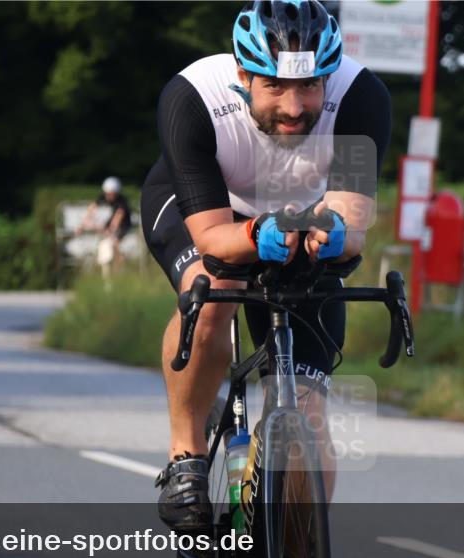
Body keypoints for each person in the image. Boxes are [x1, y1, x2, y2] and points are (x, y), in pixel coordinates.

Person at [144, 0, 390, 530]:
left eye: (308, 87)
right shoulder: (193, 98)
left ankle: (300, 555)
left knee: (309, 404)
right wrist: (259, 233)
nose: (295, 107)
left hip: (304, 217)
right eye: (275, 87)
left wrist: (331, 235)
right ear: (243, 74)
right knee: (213, 289)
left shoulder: (361, 97)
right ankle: (186, 457)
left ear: (329, 75)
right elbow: (212, 237)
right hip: (210, 209)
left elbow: (351, 221)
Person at [76, 176, 134, 277]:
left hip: (125, 224)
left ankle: (119, 270)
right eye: (107, 194)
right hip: (112, 220)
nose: (109, 197)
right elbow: (91, 209)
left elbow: (118, 217)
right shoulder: (105, 196)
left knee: (115, 243)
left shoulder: (122, 201)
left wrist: (110, 231)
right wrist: (81, 225)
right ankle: (110, 271)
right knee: (106, 246)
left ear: (115, 193)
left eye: (111, 194)